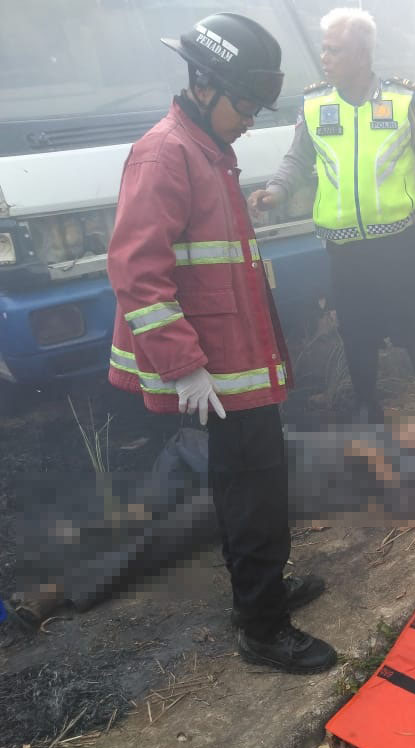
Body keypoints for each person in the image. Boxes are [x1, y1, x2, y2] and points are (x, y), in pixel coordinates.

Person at [106, 13, 335, 674]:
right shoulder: (166, 154)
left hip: (236, 364)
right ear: (203, 85)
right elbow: (136, 274)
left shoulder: (206, 149)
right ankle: (264, 629)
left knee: (249, 486)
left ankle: (260, 596)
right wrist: (183, 367)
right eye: (245, 105)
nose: (250, 121)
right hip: (215, 371)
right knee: (254, 491)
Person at [248, 7, 415, 425]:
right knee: (356, 328)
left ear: (362, 54)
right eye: (324, 49)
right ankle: (367, 407)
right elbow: (297, 159)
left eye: (335, 50)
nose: (324, 58)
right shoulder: (315, 104)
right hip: (344, 248)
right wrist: (274, 192)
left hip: (398, 241)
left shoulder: (403, 98)